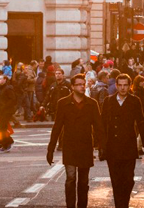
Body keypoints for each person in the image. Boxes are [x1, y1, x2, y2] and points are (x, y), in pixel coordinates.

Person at [47, 74, 104, 208]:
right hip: (70, 146)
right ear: (72, 87)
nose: (81, 87)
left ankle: (82, 206)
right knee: (70, 178)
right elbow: (57, 127)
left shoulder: (92, 103)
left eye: (83, 84)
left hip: (85, 146)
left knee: (83, 181)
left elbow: (98, 126)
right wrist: (50, 149)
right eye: (78, 84)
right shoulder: (63, 103)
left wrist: (102, 146)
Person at [99, 74, 144, 208]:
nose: (122, 88)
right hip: (112, 148)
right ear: (116, 85)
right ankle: (121, 205)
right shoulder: (108, 101)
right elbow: (102, 124)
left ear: (130, 86)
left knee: (128, 180)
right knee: (116, 181)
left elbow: (140, 122)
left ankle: (123, 203)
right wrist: (101, 145)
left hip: (129, 146)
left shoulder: (135, 101)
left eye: (125, 85)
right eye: (120, 85)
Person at [0, 75, 17, 153]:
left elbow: (13, 99)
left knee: (2, 128)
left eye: (1, 79)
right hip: (2, 111)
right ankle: (8, 142)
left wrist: (4, 106)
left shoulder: (8, 88)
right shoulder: (1, 88)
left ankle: (6, 145)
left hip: (7, 111)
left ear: (5, 80)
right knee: (2, 128)